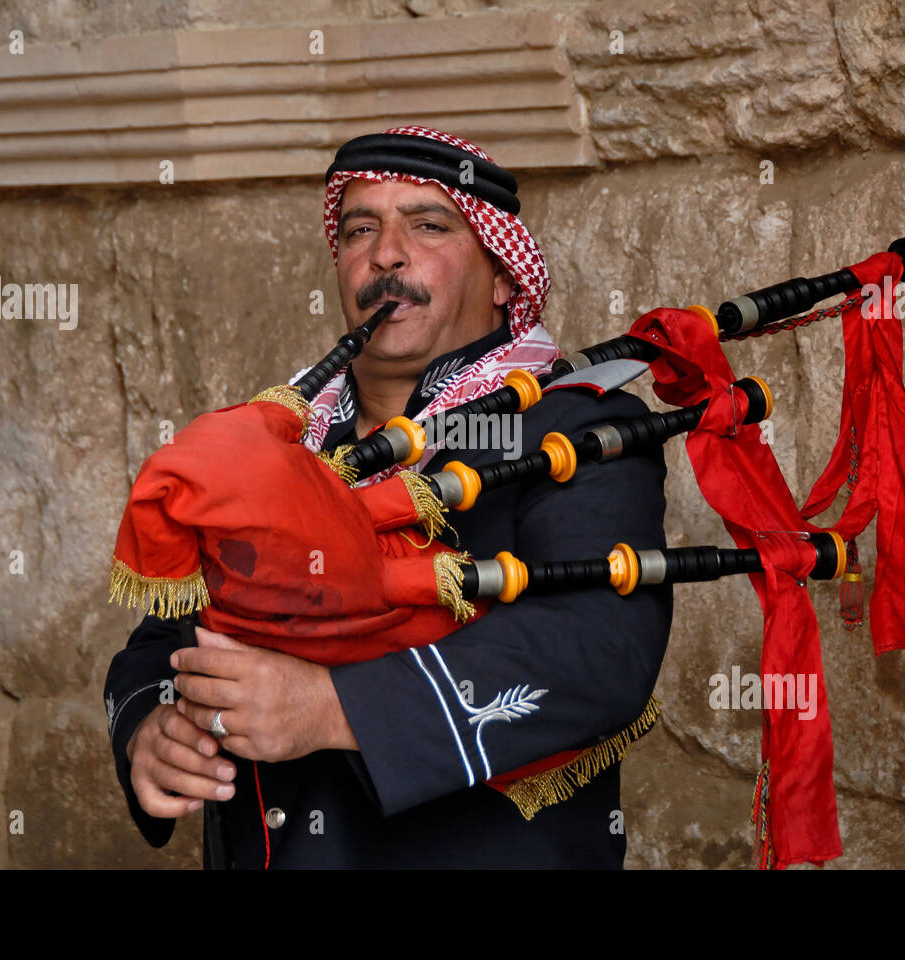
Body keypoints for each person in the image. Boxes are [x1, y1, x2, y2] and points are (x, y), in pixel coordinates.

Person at [103, 126, 673, 868]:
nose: (386, 254)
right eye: (360, 229)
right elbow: (166, 629)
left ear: (504, 277)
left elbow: (598, 651)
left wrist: (329, 707)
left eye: (429, 226)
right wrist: (151, 727)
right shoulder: (280, 448)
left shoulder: (578, 427)